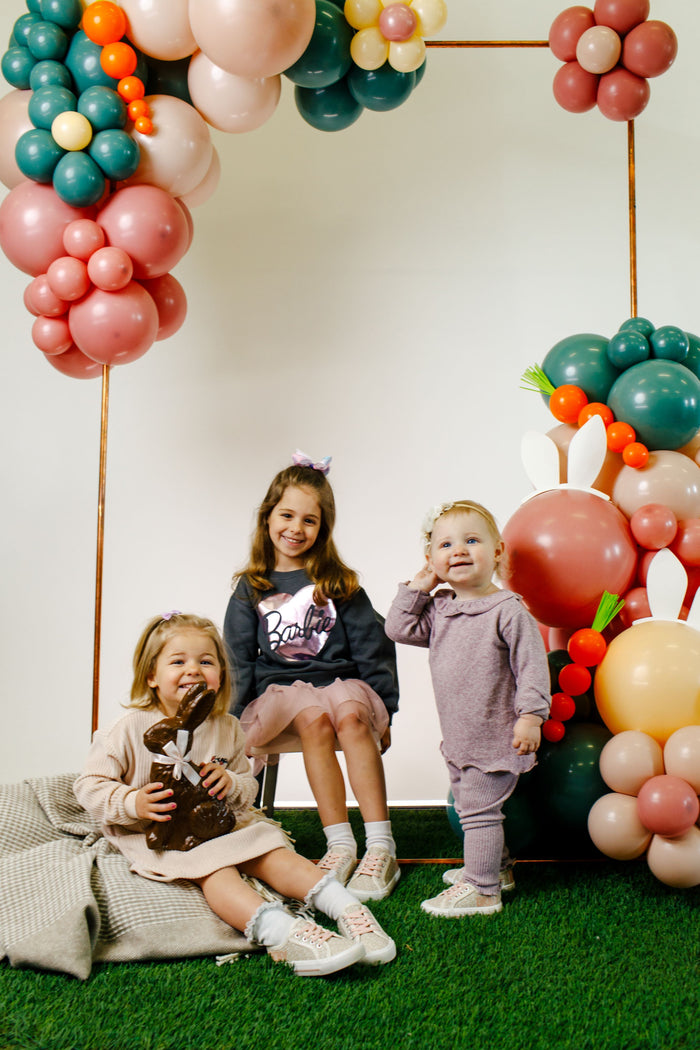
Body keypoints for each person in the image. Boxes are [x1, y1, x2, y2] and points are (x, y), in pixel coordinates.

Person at [74, 612, 395, 976]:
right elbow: (89, 785)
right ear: (151, 675)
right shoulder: (128, 727)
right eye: (178, 661)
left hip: (222, 823)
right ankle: (285, 932)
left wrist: (230, 781)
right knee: (218, 874)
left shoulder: (226, 726)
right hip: (165, 836)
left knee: (272, 852)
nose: (193, 670)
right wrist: (133, 802)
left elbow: (247, 782)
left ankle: (348, 909)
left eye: (205, 661)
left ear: (221, 675)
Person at [224, 453, 401, 902]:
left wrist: (386, 710)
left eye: (310, 520)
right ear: (268, 518)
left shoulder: (339, 583)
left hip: (344, 686)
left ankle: (381, 846)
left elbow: (372, 645)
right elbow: (238, 660)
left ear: (323, 528)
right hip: (282, 695)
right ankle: (340, 843)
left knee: (348, 715)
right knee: (312, 716)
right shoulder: (251, 587)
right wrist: (230, 721)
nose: (296, 528)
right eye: (287, 515)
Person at [385, 500, 550, 917]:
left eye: (471, 540)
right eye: (445, 545)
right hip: (459, 737)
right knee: (472, 806)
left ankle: (482, 890)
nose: (457, 550)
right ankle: (497, 867)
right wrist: (420, 586)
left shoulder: (508, 611)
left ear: (497, 552)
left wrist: (531, 716)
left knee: (477, 811)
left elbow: (532, 667)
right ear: (432, 560)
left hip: (496, 734)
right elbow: (398, 628)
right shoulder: (441, 608)